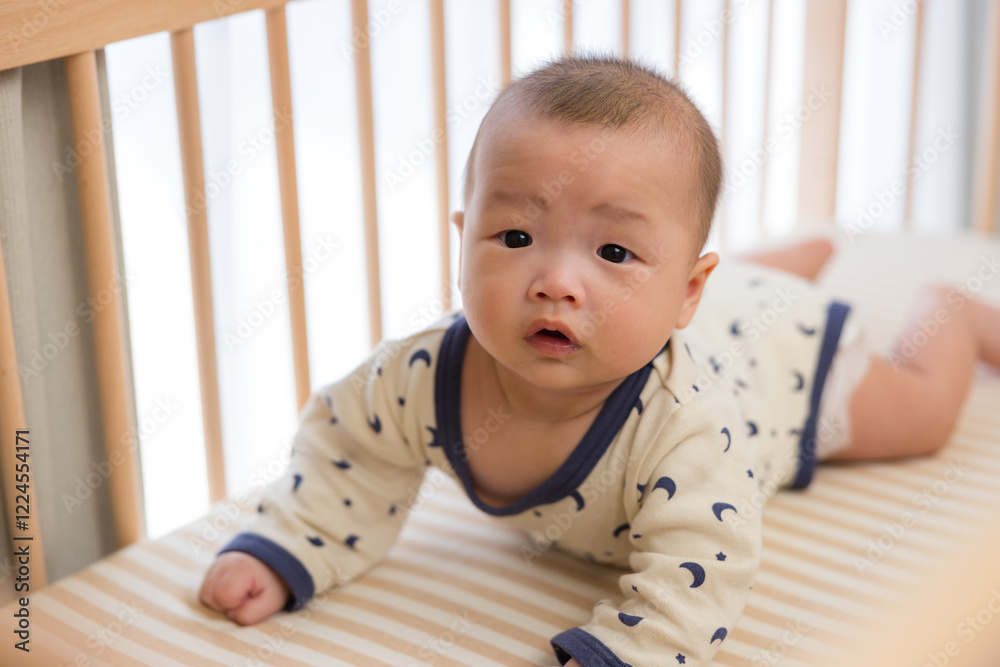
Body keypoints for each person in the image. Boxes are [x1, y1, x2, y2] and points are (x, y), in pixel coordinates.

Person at [198, 55, 1000, 666]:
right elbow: (351, 449)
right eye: (516, 236)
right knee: (688, 295)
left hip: (782, 361)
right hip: (708, 308)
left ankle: (951, 311)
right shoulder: (420, 376)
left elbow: (703, 566)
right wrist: (289, 545)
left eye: (614, 250)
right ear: (463, 240)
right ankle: (795, 255)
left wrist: (626, 652)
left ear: (686, 290)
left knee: (923, 413)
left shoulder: (690, 427)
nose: (556, 281)